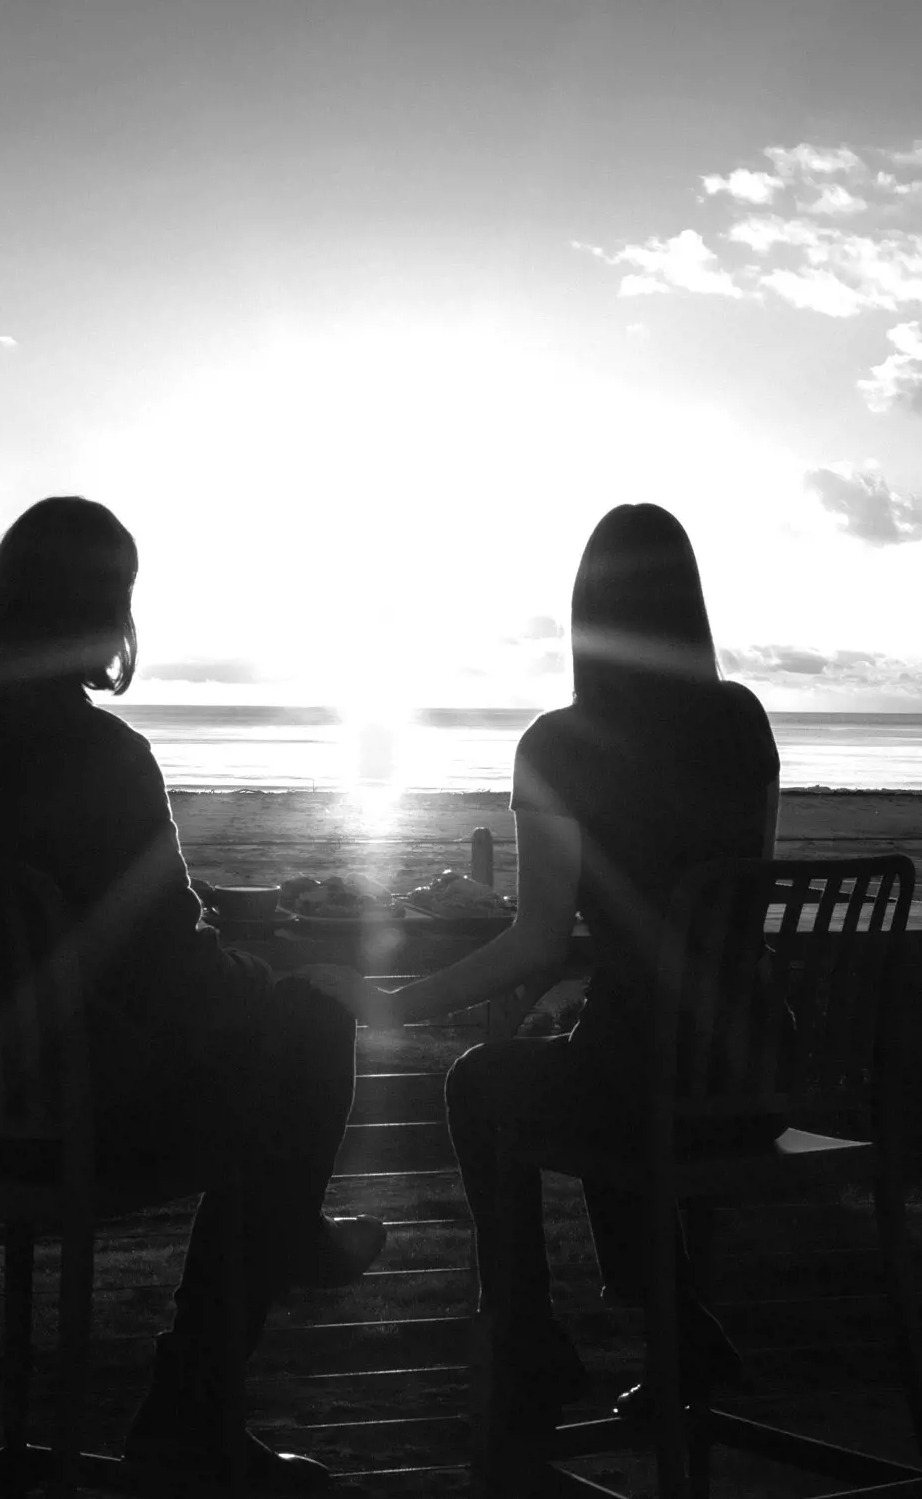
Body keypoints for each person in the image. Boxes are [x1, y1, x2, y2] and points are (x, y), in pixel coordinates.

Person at [0, 495, 386, 1490]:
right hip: (86, 1116)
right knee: (312, 1030)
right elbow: (167, 963)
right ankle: (198, 1401)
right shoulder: (104, 754)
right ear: (114, 610)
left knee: (277, 1065)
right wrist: (267, 980)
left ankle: (291, 1237)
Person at [311, 503, 782, 1432]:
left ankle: (526, 1338)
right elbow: (734, 897)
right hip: (753, 1069)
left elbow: (534, 935)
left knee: (487, 1085)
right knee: (590, 1060)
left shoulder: (561, 744)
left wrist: (400, 1003)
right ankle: (681, 1335)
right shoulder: (744, 721)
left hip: (644, 1072)